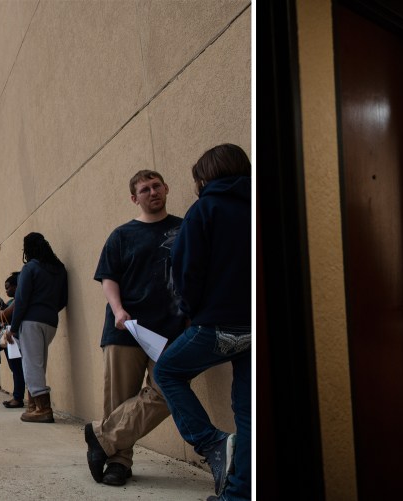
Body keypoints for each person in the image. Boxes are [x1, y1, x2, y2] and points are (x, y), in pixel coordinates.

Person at [153, 144, 251, 499]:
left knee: (166, 372)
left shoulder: (204, 210)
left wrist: (192, 312)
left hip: (217, 324)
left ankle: (212, 442)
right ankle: (238, 495)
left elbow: (186, 273)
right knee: (248, 413)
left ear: (205, 177)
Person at [83, 169, 185, 486]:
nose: (152, 192)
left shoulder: (184, 229)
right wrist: (118, 310)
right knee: (119, 398)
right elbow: (108, 277)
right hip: (126, 328)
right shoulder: (122, 235)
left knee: (168, 391)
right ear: (134, 198)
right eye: (144, 189)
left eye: (156, 186)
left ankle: (101, 436)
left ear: (166, 189)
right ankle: (118, 464)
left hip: (172, 331)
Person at [10, 232, 68, 423]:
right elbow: (63, 300)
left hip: (31, 321)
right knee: (38, 362)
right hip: (51, 322)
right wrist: (48, 310)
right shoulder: (59, 269)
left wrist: (13, 327)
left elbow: (21, 300)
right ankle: (33, 405)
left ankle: (43, 409)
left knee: (31, 363)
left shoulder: (30, 268)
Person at [0, 273, 26, 408]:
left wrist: (0, 312)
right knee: (15, 369)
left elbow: (3, 314)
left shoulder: (18, 301)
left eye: (8, 287)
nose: (6, 290)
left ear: (16, 286)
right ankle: (17, 396)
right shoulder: (12, 301)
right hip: (12, 339)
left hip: (16, 339)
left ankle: (18, 397)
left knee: (18, 369)